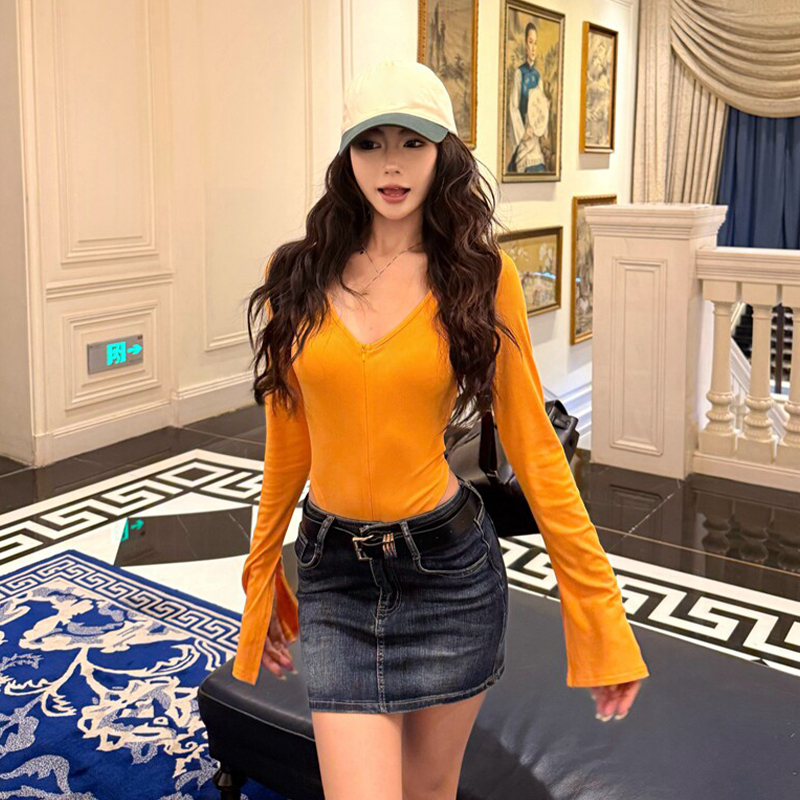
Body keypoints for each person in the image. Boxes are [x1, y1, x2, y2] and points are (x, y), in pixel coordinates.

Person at [232, 59, 649, 799]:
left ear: (443, 153)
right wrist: (259, 577)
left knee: (429, 791)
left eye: (412, 143)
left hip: (448, 578)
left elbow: (536, 449)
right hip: (335, 576)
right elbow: (287, 448)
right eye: (370, 144)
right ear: (346, 155)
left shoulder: (480, 279)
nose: (390, 165)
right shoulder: (296, 275)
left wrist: (599, 611)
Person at [508, 21, 550, 174]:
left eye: (535, 43)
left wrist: (545, 108)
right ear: (525, 45)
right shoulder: (519, 74)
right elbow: (513, 107)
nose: (533, 48)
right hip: (525, 139)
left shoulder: (538, 77)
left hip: (535, 140)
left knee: (540, 170)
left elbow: (539, 107)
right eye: (530, 42)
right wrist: (522, 132)